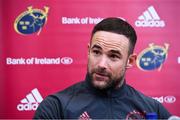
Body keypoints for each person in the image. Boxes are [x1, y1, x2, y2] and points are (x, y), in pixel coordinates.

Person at [34, 17, 171, 119]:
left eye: (113, 56)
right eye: (96, 52)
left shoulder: (153, 109)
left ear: (130, 61)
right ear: (89, 51)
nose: (101, 64)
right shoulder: (55, 107)